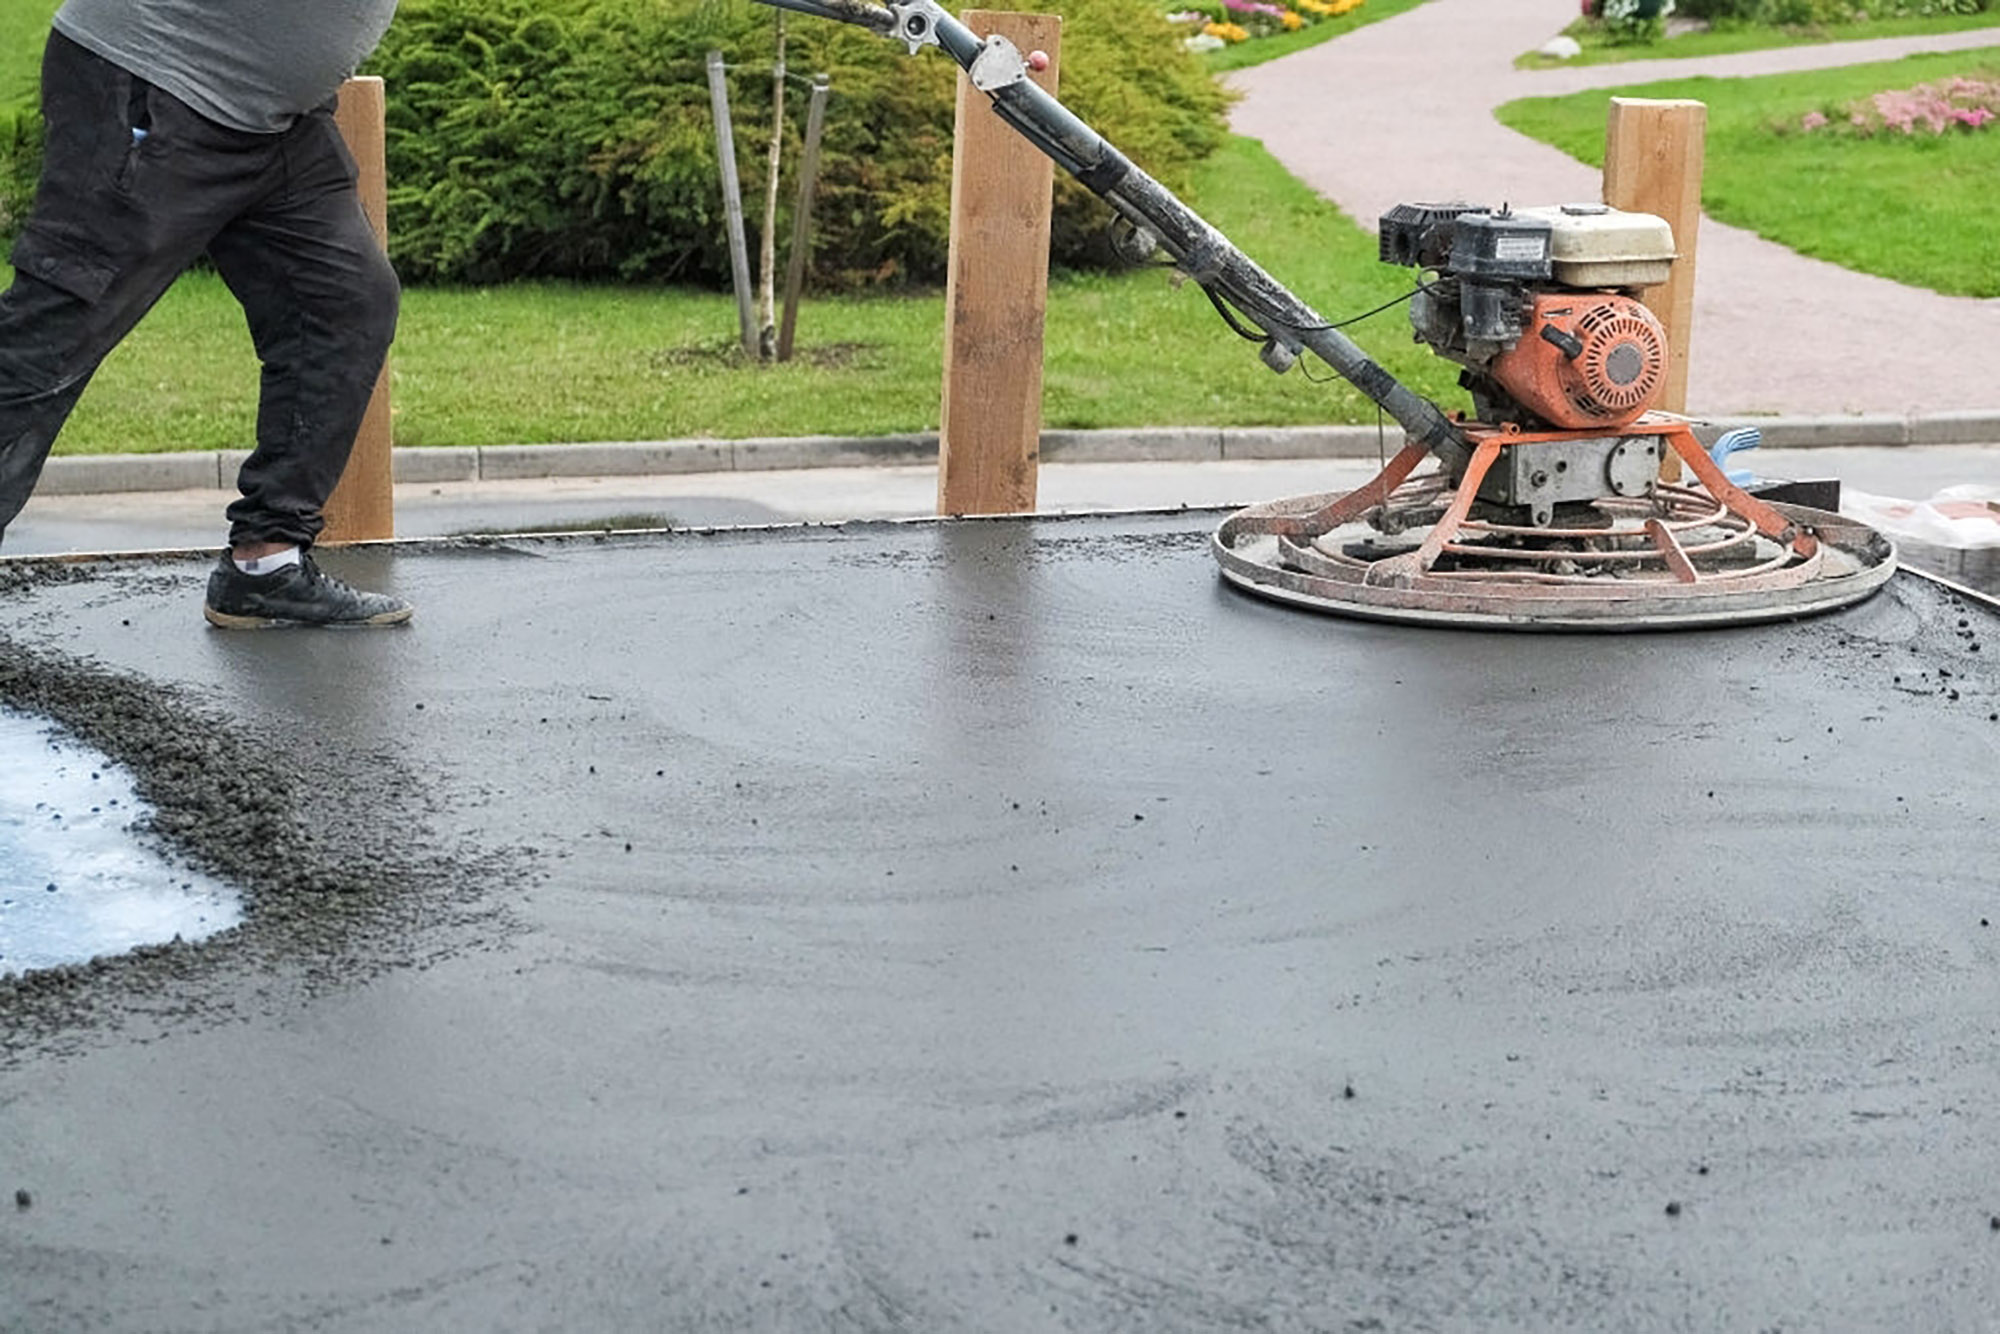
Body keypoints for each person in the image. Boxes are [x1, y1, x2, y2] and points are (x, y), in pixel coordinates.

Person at [0, 0, 412, 628]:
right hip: (160, 81)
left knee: (345, 300)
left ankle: (265, 565)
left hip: (273, 119)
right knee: (56, 333)